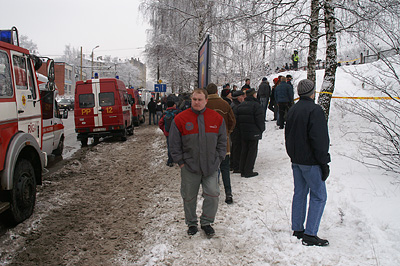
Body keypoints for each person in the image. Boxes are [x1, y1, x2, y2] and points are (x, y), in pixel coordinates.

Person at [169, 88, 227, 237]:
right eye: (194, 99)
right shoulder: (180, 119)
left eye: (200, 99)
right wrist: (181, 162)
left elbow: (222, 141)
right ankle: (192, 223)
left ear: (206, 101)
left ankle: (207, 222)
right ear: (191, 100)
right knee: (189, 197)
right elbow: (174, 143)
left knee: (213, 194)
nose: (197, 102)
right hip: (189, 166)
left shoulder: (216, 118)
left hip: (211, 166)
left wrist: (219, 157)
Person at [285, 79, 330, 247]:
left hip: (297, 160)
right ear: (313, 92)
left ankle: (298, 228)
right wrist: (324, 162)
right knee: (319, 196)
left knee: (300, 193)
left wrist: (292, 155)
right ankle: (310, 233)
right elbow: (319, 140)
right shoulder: (315, 110)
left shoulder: (293, 109)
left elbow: (287, 136)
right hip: (310, 161)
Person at [206, 83, 236, 204]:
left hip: (208, 143)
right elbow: (232, 121)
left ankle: (213, 193)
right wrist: (227, 132)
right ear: (217, 91)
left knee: (211, 170)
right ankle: (228, 193)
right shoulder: (225, 104)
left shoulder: (204, 105)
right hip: (223, 142)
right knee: (225, 168)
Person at [236, 88, 265, 178]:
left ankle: (242, 169)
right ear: (253, 95)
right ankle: (248, 170)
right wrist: (261, 129)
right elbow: (260, 119)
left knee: (244, 150)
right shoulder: (256, 105)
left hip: (243, 132)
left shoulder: (241, 106)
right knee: (252, 151)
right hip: (254, 132)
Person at [158, 101, 180, 167]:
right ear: (173, 105)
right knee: (178, 146)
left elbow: (160, 123)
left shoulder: (165, 114)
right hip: (177, 133)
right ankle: (178, 160)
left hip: (168, 133)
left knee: (170, 147)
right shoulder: (178, 113)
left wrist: (164, 130)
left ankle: (170, 161)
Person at [230, 90, 245, 174]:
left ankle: (233, 164)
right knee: (237, 148)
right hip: (236, 130)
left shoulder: (233, 105)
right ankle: (236, 166)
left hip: (234, 130)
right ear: (239, 97)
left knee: (235, 147)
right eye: (242, 96)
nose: (243, 98)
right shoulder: (236, 106)